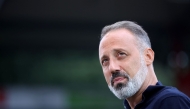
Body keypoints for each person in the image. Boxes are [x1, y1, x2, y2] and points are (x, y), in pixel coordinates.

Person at [98, 21, 190, 109]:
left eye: (121, 54)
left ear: (148, 57)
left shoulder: (171, 102)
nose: (112, 68)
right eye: (105, 61)